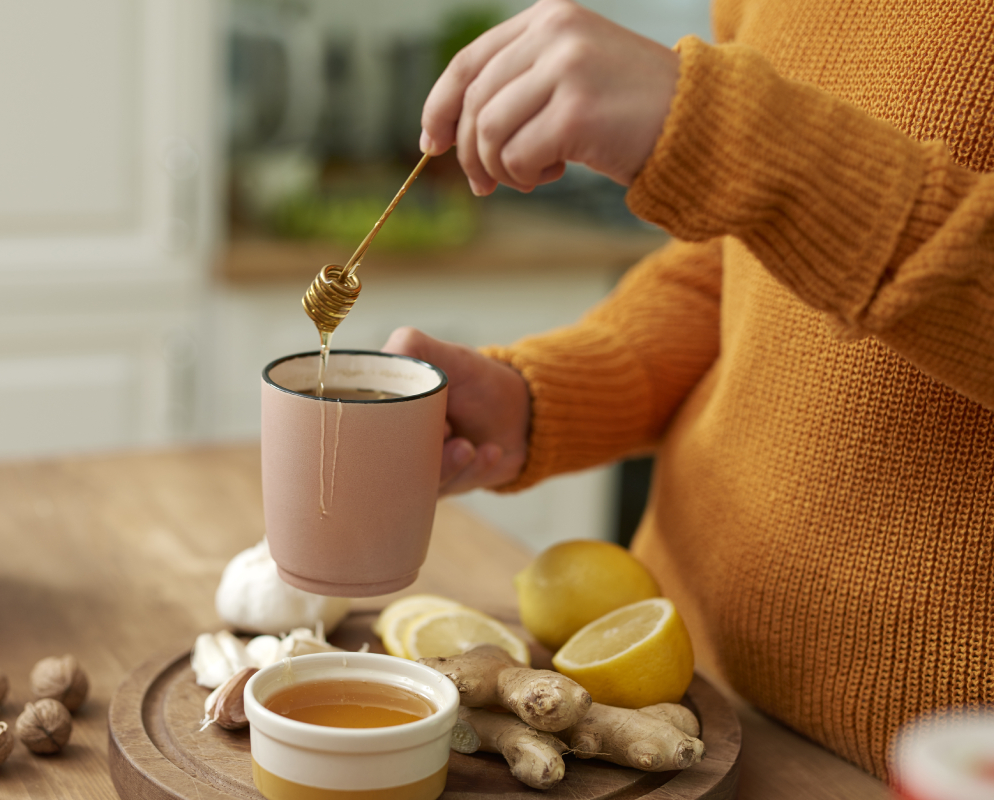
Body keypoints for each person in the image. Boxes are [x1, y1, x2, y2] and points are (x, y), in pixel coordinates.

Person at [383, 0, 993, 782]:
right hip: (669, 709)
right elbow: (737, 269)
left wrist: (732, 138)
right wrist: (542, 396)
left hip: (923, 769)